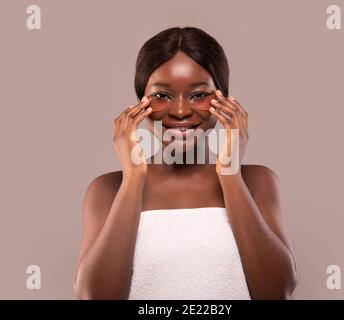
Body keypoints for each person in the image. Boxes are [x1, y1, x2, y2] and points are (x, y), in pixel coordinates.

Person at [73, 26, 298, 300]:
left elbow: (276, 293)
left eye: (199, 95)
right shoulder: (108, 189)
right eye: (162, 96)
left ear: (224, 100)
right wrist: (133, 177)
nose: (180, 111)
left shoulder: (257, 182)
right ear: (139, 104)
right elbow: (95, 296)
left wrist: (230, 174)